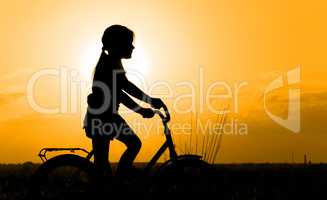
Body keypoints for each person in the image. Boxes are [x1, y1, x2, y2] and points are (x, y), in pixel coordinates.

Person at [83, 25, 165, 178]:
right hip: (102, 118)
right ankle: (122, 178)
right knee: (131, 146)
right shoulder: (110, 64)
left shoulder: (111, 62)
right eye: (129, 43)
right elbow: (125, 88)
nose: (132, 47)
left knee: (104, 164)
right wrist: (147, 104)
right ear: (118, 45)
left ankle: (120, 180)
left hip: (103, 117)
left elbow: (121, 92)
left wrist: (144, 106)